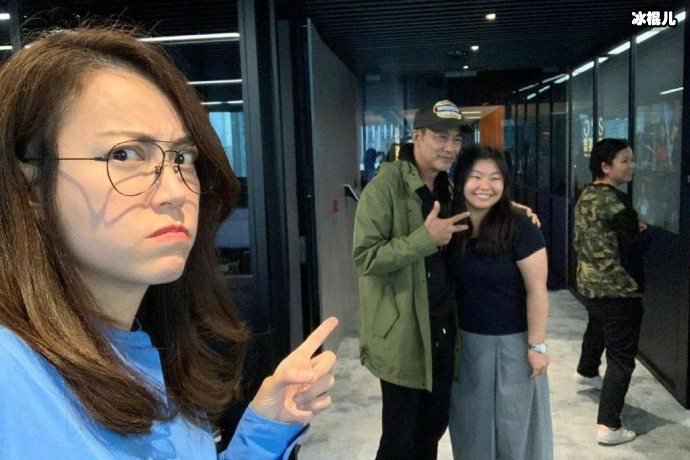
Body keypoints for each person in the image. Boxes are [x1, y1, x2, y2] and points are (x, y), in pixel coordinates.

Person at [0, 26, 338, 459]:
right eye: (124, 154)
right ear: (29, 188)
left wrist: (265, 429)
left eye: (182, 157)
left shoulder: (149, 348)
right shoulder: (12, 375)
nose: (176, 191)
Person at [353, 99, 468, 459]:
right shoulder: (384, 188)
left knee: (432, 428)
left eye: (456, 139)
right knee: (399, 439)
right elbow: (366, 257)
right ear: (416, 137)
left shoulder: (448, 189)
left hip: (442, 325)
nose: (450, 147)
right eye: (441, 137)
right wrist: (424, 239)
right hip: (403, 331)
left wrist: (514, 209)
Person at [447, 145, 553, 460]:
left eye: (495, 178)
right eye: (476, 176)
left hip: (514, 344)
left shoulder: (520, 225)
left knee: (515, 431)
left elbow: (537, 289)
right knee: (471, 431)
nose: (485, 186)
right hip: (465, 344)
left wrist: (537, 346)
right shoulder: (450, 225)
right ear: (461, 180)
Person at [573, 138, 650, 446]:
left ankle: (586, 370)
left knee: (598, 326)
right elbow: (634, 248)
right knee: (621, 358)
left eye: (632, 159)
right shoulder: (618, 204)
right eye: (625, 161)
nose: (631, 166)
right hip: (619, 289)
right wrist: (645, 233)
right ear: (606, 167)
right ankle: (609, 425)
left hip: (589, 283)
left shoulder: (587, 195)